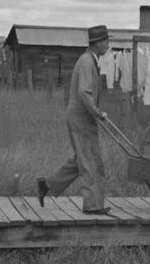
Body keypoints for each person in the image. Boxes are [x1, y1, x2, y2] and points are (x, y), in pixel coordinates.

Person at [37, 24, 111, 215]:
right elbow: (84, 92)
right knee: (89, 162)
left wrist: (95, 112)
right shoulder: (87, 62)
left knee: (81, 158)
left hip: (81, 116)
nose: (108, 45)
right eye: (106, 41)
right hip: (81, 117)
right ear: (97, 43)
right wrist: (97, 112)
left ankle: (48, 185)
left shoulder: (89, 60)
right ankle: (92, 206)